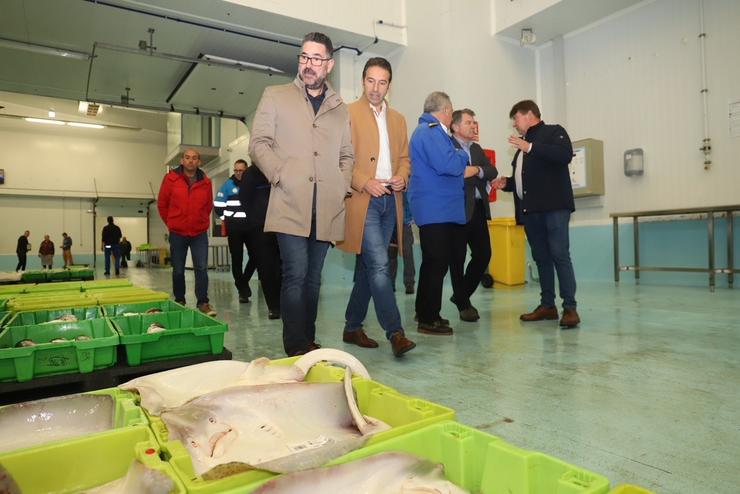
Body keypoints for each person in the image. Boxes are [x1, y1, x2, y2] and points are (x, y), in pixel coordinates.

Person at [249, 32, 353, 356]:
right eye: (304, 57)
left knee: (313, 279)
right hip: (289, 201)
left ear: (329, 65)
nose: (308, 65)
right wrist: (280, 174)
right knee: (295, 273)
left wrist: (341, 185)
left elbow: (347, 155)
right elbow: (258, 143)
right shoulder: (275, 95)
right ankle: (296, 347)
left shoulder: (340, 109)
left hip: (326, 206)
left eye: (316, 59)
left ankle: (307, 339)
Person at [338, 57, 416, 358]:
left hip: (390, 200)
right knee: (381, 266)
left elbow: (405, 159)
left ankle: (352, 326)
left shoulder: (398, 119)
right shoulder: (347, 113)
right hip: (364, 199)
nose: (375, 87)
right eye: (371, 80)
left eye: (382, 82)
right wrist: (362, 181)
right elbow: (340, 158)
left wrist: (402, 176)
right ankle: (395, 332)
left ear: (389, 86)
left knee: (369, 269)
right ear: (363, 81)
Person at [492, 99, 580, 328]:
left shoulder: (554, 132)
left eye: (516, 119)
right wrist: (507, 183)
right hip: (531, 211)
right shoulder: (523, 146)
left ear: (529, 115)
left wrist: (529, 148)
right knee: (541, 258)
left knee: (560, 254)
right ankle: (547, 306)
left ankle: (570, 308)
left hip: (554, 207)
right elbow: (527, 179)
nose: (515, 125)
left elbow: (564, 155)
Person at [408, 92, 478, 335]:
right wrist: (460, 154)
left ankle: (424, 311)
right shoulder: (430, 131)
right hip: (435, 209)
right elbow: (449, 164)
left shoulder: (433, 132)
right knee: (436, 264)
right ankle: (429, 318)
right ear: (446, 110)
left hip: (439, 209)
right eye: (451, 112)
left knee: (433, 264)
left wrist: (455, 155)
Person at [449, 109, 498, 322]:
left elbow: (492, 171)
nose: (473, 125)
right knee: (457, 259)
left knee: (483, 254)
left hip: (478, 209)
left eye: (474, 122)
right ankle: (464, 304)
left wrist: (476, 170)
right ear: (455, 126)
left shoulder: (476, 148)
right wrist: (476, 171)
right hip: (457, 209)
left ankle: (460, 295)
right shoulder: (447, 146)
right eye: (468, 122)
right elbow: (455, 173)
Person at [158, 148, 216, 316]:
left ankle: (203, 302)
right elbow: (162, 204)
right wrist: (171, 223)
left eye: (194, 158)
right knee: (178, 269)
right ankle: (180, 300)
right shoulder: (170, 179)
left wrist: (200, 221)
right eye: (187, 158)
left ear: (199, 162)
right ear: (182, 160)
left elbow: (208, 206)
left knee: (201, 268)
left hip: (199, 233)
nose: (191, 161)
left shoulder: (206, 182)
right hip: (178, 233)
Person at [237, 162, 282, 319]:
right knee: (266, 268)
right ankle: (274, 307)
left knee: (282, 267)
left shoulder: (282, 167)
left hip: (283, 226)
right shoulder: (251, 174)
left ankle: (282, 304)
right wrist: (256, 220)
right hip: (260, 228)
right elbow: (244, 200)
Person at [214, 159, 257, 303]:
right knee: (236, 259)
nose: (238, 173)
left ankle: (242, 283)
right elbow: (218, 206)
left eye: (241, 170)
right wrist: (229, 219)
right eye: (236, 170)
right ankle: (242, 292)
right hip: (235, 229)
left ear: (246, 170)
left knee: (256, 257)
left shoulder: (253, 184)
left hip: (251, 228)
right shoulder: (227, 185)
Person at [388, 192, 415, 294]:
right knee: (391, 254)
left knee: (407, 253)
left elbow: (409, 199)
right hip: (390, 222)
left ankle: (409, 284)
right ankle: (390, 284)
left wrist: (410, 217)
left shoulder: (403, 179)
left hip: (404, 222)